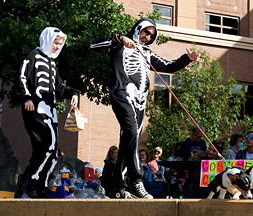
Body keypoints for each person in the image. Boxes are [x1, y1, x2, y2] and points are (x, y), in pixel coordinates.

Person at [90, 17, 200, 199]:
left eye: (152, 35)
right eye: (146, 32)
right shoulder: (119, 46)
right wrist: (117, 38)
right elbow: (94, 46)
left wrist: (186, 59)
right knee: (132, 132)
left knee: (129, 138)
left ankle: (119, 185)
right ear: (138, 28)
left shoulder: (147, 54)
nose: (148, 37)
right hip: (122, 94)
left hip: (140, 101)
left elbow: (168, 66)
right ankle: (137, 181)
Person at [17, 27, 79, 197]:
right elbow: (22, 76)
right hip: (35, 108)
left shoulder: (52, 63)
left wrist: (73, 92)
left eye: (60, 44)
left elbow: (58, 88)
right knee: (46, 145)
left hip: (50, 111)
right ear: (46, 40)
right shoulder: (33, 55)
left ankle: (40, 184)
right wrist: (26, 98)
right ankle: (29, 179)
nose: (58, 47)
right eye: (55, 43)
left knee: (52, 151)